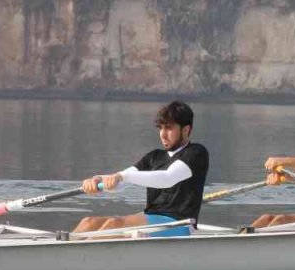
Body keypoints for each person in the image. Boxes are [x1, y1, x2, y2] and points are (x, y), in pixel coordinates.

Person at [73, 100, 210, 237]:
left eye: (169, 128)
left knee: (114, 224)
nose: (163, 134)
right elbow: (122, 179)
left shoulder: (196, 153)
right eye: (160, 128)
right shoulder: (154, 156)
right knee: (88, 222)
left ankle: (83, 255)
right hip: (152, 218)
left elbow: (167, 178)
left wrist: (121, 177)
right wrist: (97, 179)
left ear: (185, 130)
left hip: (180, 223)